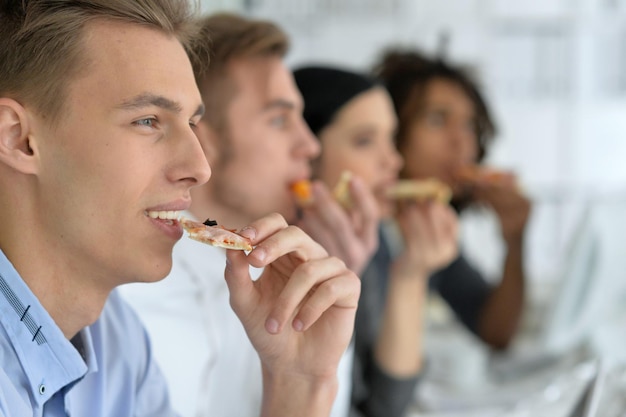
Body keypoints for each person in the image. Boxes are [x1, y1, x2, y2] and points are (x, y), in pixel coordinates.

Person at [0, 2, 360, 416]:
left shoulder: (115, 339)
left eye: (191, 123)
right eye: (148, 121)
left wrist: (299, 384)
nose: (199, 168)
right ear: (19, 139)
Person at [119, 13, 378, 417]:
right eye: (279, 119)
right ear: (204, 138)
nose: (309, 146)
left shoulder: (289, 280)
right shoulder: (122, 298)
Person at [293, 66, 459, 417]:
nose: (393, 161)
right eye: (365, 141)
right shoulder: (283, 259)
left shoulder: (369, 240)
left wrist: (410, 274)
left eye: (391, 139)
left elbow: (386, 404)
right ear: (306, 151)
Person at [372, 49, 531, 351]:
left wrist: (515, 241)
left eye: (470, 124)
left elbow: (495, 331)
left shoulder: (430, 230)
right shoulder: (362, 232)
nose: (462, 141)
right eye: (437, 119)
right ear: (390, 128)